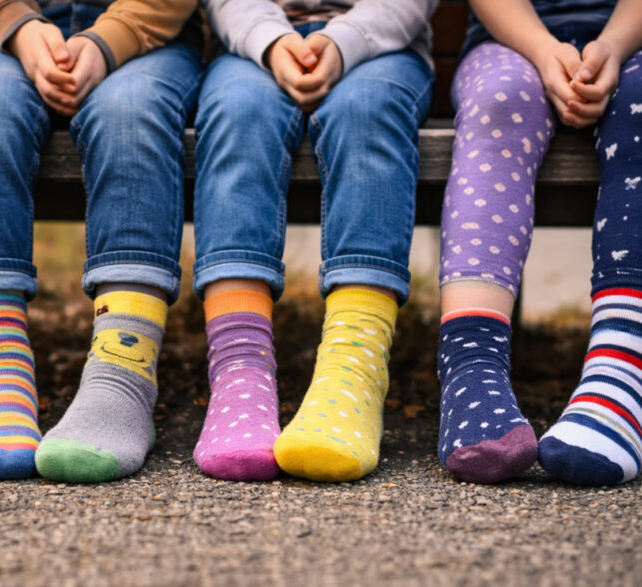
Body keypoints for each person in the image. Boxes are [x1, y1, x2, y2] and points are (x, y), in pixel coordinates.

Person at [0, 0, 203, 481]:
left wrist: (108, 39)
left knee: (130, 115)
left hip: (148, 31)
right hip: (9, 34)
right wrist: (16, 24)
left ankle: (123, 373)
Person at [191, 0, 437, 481]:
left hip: (382, 46)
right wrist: (272, 39)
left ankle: (354, 368)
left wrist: (343, 41)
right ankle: (239, 370)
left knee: (368, 111)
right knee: (238, 112)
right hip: (253, 44)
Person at [437, 0, 642, 485]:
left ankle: (624, 360)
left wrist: (612, 44)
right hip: (511, 38)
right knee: (501, 99)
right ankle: (471, 364)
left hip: (632, 39)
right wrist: (544, 49)